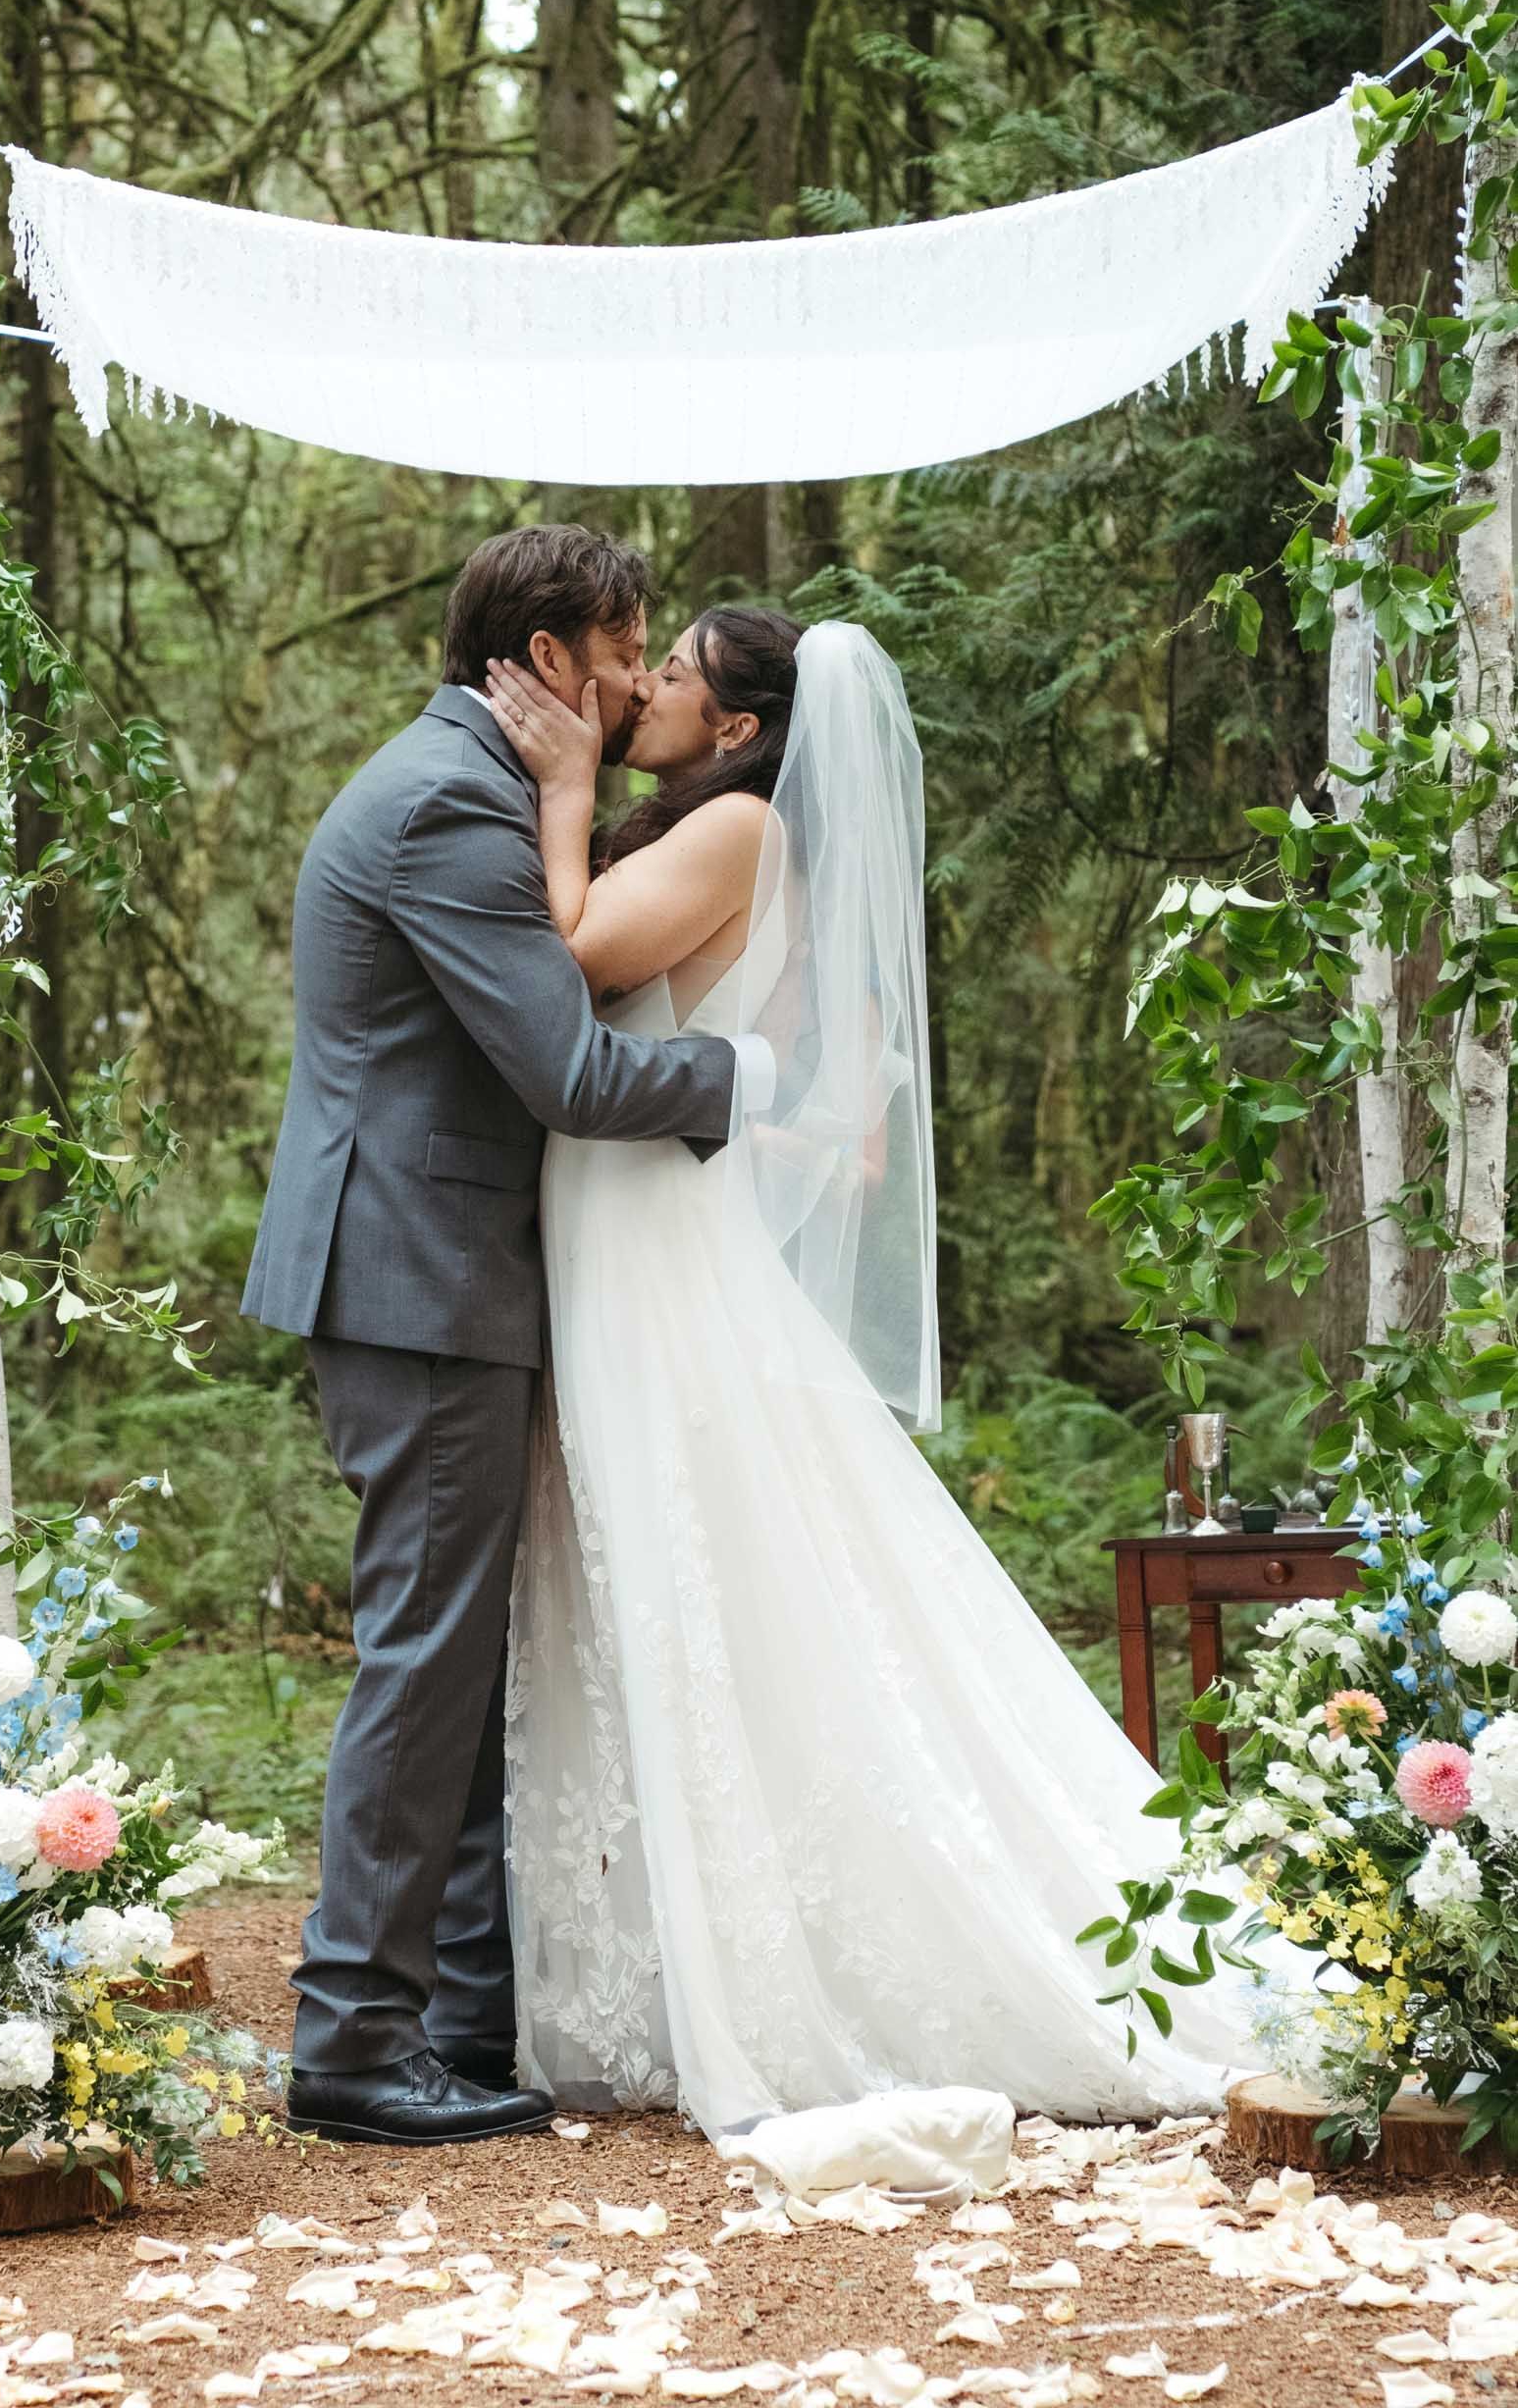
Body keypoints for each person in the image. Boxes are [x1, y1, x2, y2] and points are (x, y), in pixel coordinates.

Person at [487, 608, 1294, 2139]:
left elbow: (577, 951)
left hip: (647, 1238)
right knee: (648, 1566)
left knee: (690, 1564)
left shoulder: (728, 829)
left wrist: (566, 787)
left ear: (735, 728)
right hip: (624, 1224)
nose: (640, 684)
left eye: (670, 673)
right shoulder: (725, 820)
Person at [240, 527, 773, 2148]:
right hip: (417, 1278)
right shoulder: (454, 803)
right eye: (620, 652)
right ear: (547, 658)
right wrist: (775, 1093)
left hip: (435, 1271)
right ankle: (351, 2043)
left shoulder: (469, 783)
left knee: (460, 1657)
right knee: (424, 1656)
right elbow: (578, 1078)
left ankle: (459, 2018)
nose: (630, 683)